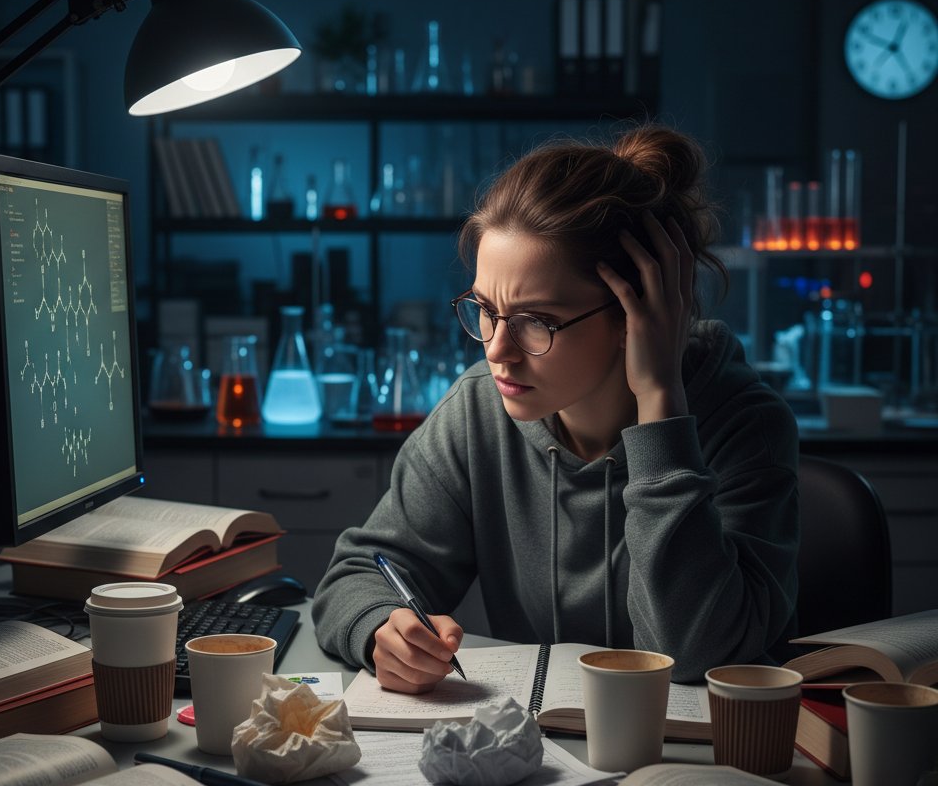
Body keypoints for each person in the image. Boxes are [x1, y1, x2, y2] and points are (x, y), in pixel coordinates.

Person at [312, 123, 799, 688]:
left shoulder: (745, 425)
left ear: (632, 314)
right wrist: (380, 628)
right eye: (485, 309)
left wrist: (661, 403)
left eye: (535, 322)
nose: (496, 350)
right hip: (538, 760)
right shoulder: (479, 410)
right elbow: (357, 575)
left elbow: (695, 654)